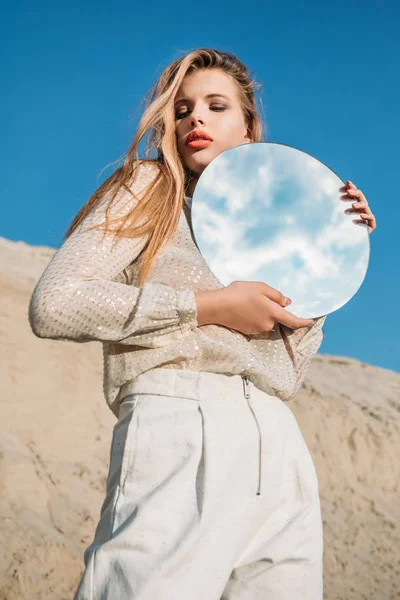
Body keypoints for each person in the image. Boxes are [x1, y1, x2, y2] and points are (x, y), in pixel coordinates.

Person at [28, 48, 376, 600]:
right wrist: (208, 305)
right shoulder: (148, 188)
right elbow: (55, 304)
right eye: (182, 109)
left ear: (248, 126)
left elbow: (288, 369)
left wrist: (333, 251)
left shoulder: (275, 226)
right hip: (179, 419)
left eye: (216, 106)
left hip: (278, 444)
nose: (196, 119)